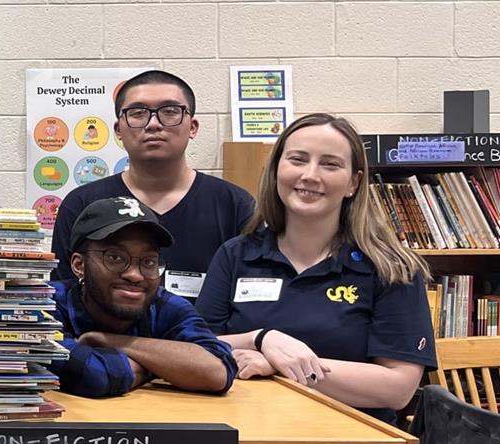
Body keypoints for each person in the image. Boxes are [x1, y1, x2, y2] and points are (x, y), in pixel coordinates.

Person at [195, 113, 435, 423]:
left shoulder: (391, 267)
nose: (310, 175)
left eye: (330, 164)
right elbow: (197, 348)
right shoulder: (235, 254)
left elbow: (397, 387)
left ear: (353, 182)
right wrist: (261, 339)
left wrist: (283, 365)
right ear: (276, 170)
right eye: (297, 159)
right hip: (245, 433)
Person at [50, 70, 254, 300]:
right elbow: (63, 298)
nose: (154, 124)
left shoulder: (234, 205)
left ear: (193, 127)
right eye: (138, 113)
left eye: (170, 112)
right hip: (100, 336)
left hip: (202, 336)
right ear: (119, 130)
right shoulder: (82, 204)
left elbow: (245, 302)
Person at [50, 197, 237, 398]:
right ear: (79, 265)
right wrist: (159, 365)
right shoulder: (42, 305)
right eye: (115, 258)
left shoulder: (166, 306)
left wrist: (109, 341)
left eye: (148, 262)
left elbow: (217, 372)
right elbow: (96, 377)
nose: (135, 275)